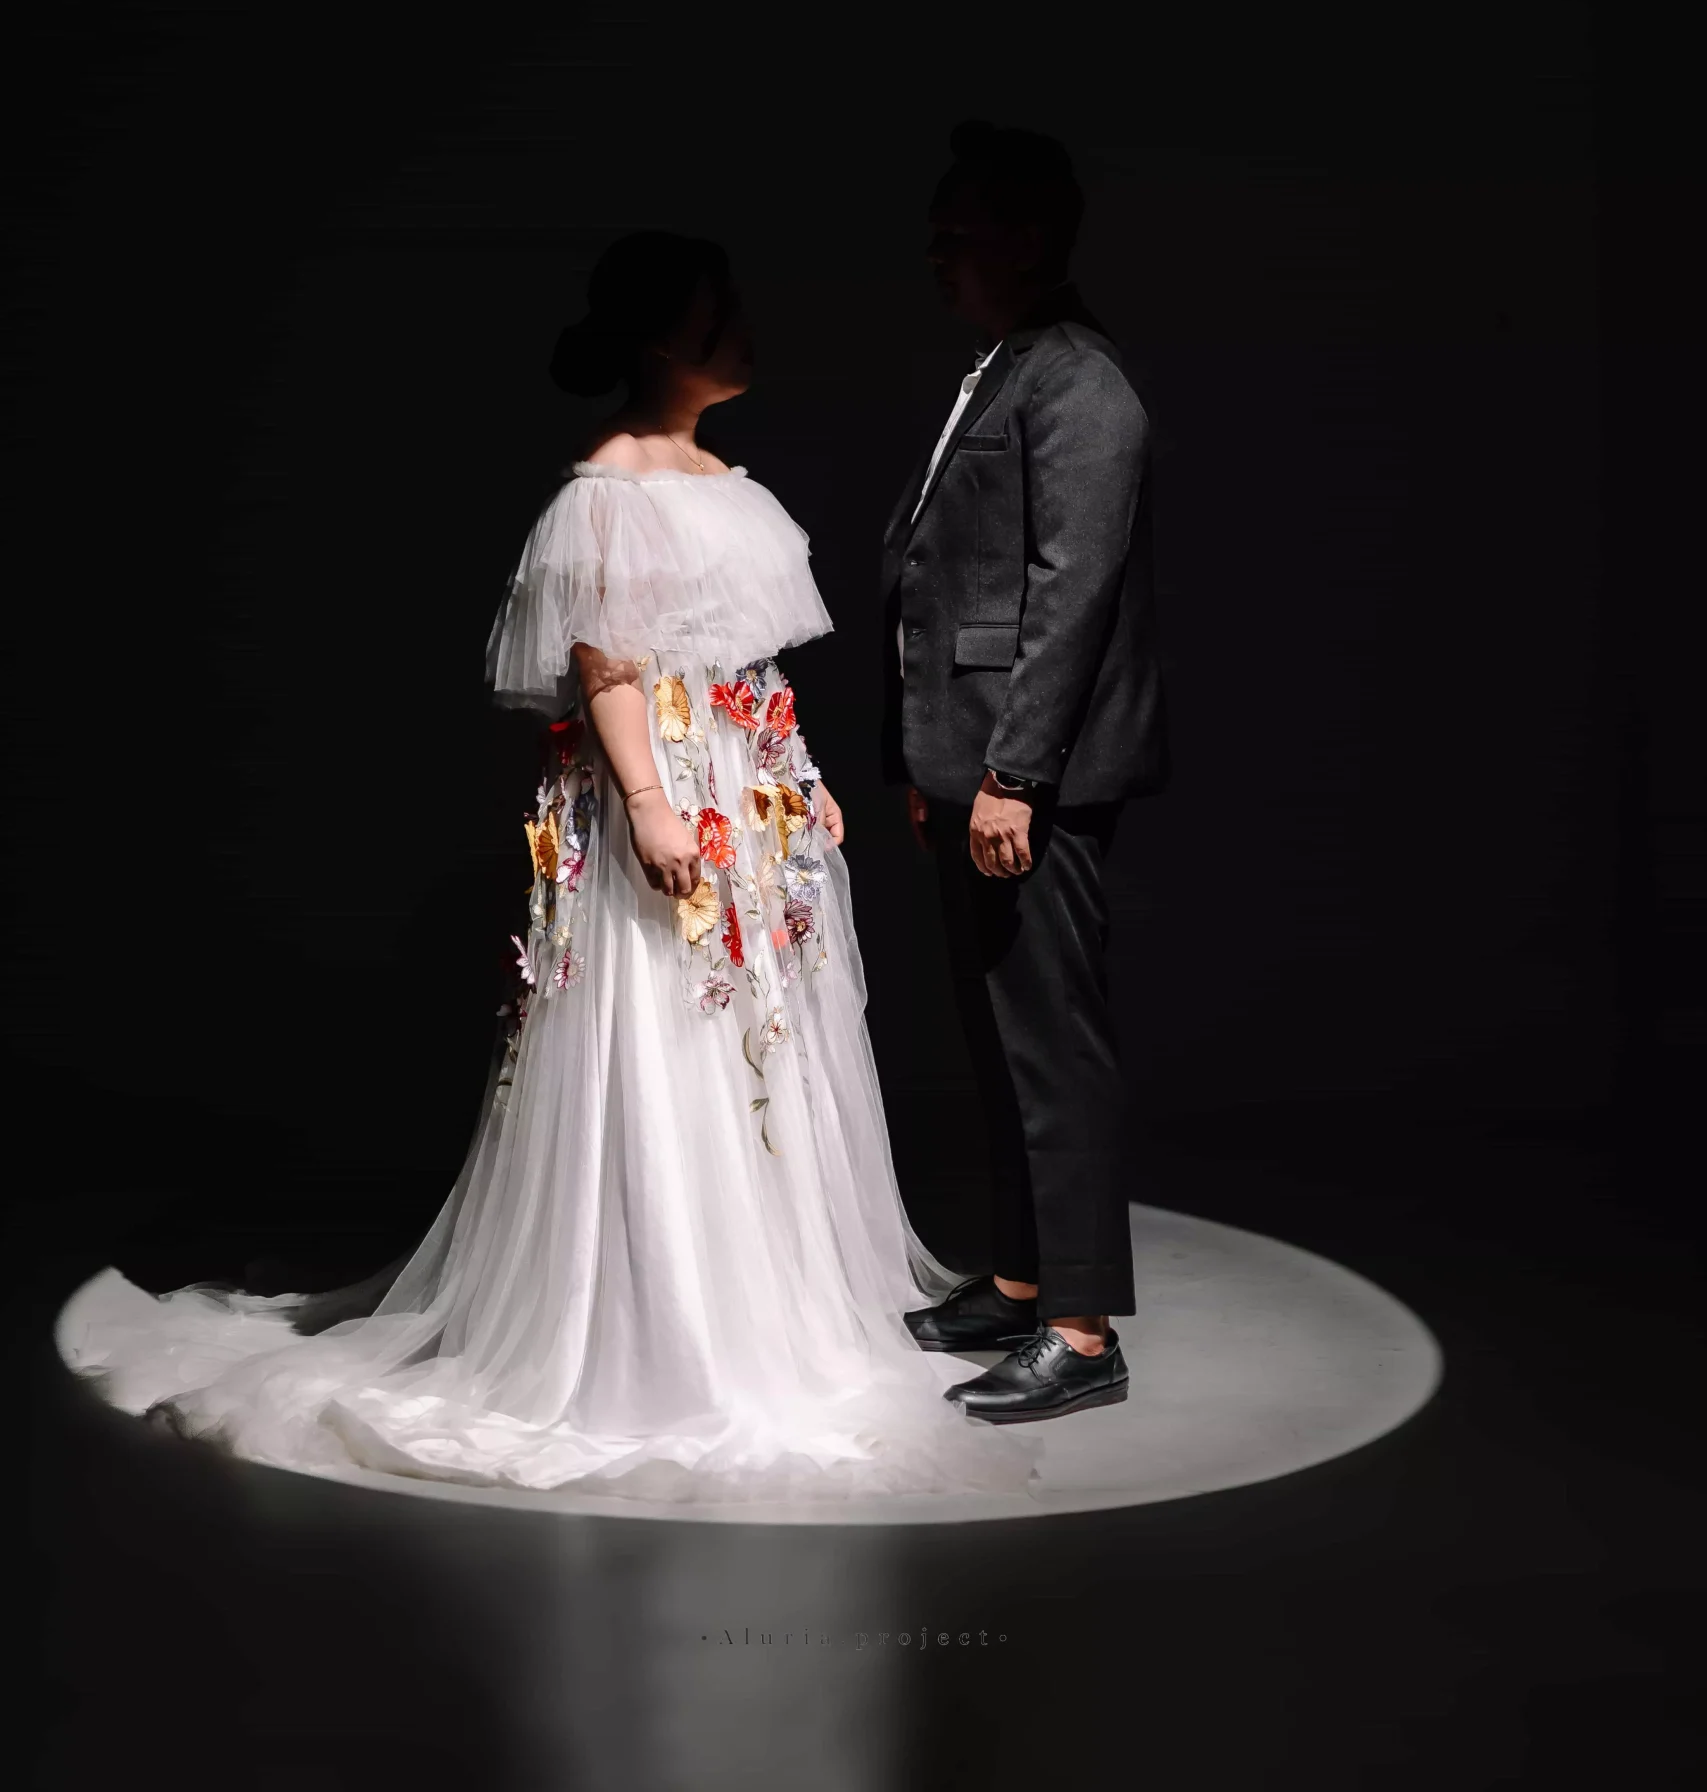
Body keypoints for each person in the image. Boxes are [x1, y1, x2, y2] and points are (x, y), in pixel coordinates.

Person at [55, 231, 1037, 1505]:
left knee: (757, 1028)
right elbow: (607, 661)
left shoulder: (725, 480)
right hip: (662, 787)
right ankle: (658, 1321)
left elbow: (745, 660)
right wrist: (648, 802)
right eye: (720, 312)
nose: (747, 330)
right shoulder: (606, 489)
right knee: (660, 1024)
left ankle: (764, 1295)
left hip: (740, 784)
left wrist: (799, 776)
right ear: (665, 338)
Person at [882, 121, 1168, 1423]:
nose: (936, 256)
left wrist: (1013, 773)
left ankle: (1081, 1332)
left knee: (1054, 1051)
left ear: (1031, 240)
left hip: (1026, 773)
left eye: (959, 235)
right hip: (972, 763)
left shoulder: (1081, 383)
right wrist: (931, 759)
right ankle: (1015, 1283)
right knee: (1001, 1045)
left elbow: (1072, 592)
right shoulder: (1007, 368)